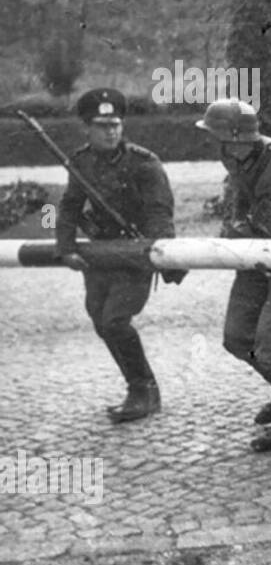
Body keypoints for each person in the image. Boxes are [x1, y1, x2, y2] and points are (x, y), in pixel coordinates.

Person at [57, 87, 180, 422]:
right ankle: (136, 386)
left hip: (135, 254)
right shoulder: (80, 162)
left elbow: (160, 213)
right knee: (99, 319)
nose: (111, 130)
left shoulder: (144, 163)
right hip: (100, 255)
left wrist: (162, 255)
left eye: (115, 124)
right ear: (87, 127)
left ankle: (145, 390)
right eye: (101, 125)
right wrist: (66, 247)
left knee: (115, 320)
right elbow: (68, 207)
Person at [195, 98, 271, 451]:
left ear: (234, 137)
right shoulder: (234, 161)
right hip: (254, 261)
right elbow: (235, 209)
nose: (213, 145)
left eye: (216, 137)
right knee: (237, 338)